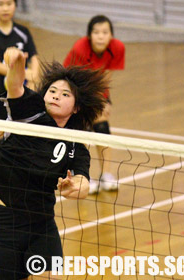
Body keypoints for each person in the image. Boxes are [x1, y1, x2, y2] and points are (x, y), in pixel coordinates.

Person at [0, 47, 108, 279]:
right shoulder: (30, 111)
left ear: (77, 107)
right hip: (5, 221)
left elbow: (83, 181)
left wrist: (76, 188)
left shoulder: (76, 143)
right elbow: (15, 86)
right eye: (52, 91)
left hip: (42, 224)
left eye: (65, 94)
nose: (56, 96)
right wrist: (17, 64)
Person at [63, 15, 125, 194]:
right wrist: (89, 107)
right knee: (82, 131)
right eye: (96, 32)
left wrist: (104, 101)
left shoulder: (117, 48)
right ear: (89, 36)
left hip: (95, 91)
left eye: (105, 32)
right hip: (73, 89)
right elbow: (74, 81)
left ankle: (106, 175)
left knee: (102, 125)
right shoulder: (80, 48)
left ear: (111, 35)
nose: (100, 36)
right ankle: (81, 177)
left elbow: (105, 77)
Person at [0, 0, 40, 148]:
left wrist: (34, 77)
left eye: (9, 3)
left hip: (19, 97)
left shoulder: (23, 32)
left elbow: (34, 58)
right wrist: (24, 73)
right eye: (0, 4)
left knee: (19, 143)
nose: (5, 8)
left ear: (15, 5)